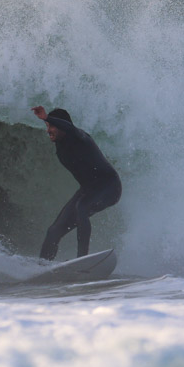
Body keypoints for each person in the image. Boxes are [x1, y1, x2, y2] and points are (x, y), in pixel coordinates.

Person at [32, 105, 122, 260]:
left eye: (52, 126)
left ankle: (82, 260)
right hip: (88, 190)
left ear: (63, 126)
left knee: (82, 207)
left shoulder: (80, 137)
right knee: (53, 231)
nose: (48, 130)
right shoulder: (60, 147)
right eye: (47, 126)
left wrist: (47, 117)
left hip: (109, 186)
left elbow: (70, 128)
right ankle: (42, 267)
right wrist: (49, 121)